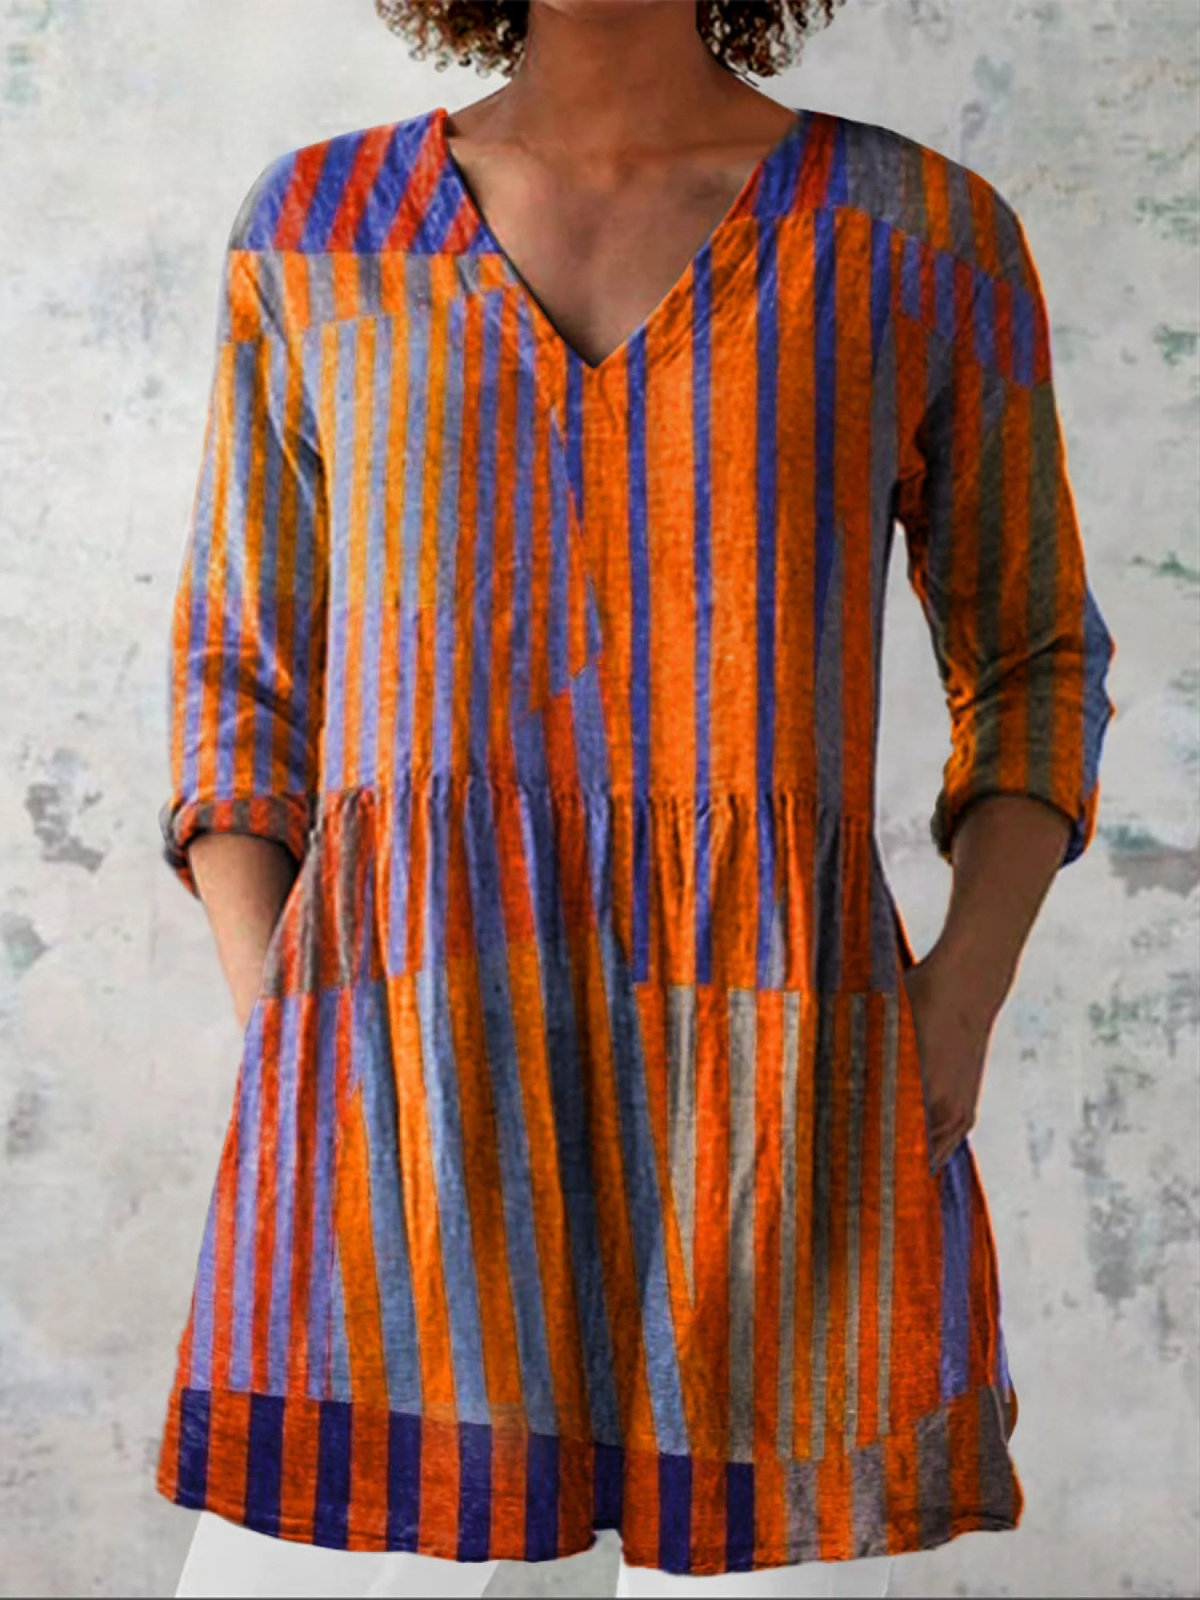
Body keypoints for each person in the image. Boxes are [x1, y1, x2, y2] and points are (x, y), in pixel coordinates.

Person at [157, 2, 1117, 1597]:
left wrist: (959, 1003)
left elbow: (1033, 657)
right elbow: (240, 667)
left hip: (785, 1091)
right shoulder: (324, 229)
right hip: (400, 1090)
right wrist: (284, 1025)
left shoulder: (913, 236)